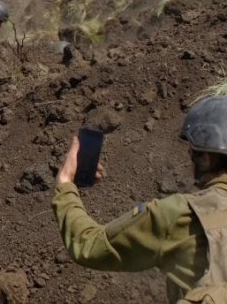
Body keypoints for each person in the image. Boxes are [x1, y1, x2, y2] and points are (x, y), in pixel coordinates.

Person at [53, 96, 227, 303]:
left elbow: (88, 245)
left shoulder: (179, 214)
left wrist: (65, 186)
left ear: (206, 159)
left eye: (192, 153)